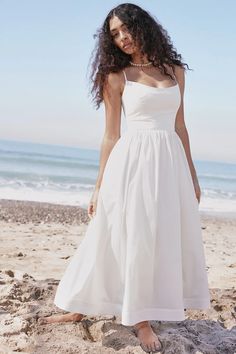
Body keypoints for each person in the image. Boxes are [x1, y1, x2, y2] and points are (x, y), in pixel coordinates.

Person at [38, 3, 211, 353]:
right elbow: (111, 135)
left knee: (158, 235)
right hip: (131, 163)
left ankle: (114, 305)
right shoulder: (116, 76)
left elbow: (180, 125)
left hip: (169, 163)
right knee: (125, 235)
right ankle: (137, 319)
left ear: (142, 27)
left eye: (126, 29)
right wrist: (99, 185)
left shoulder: (174, 70)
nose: (122, 38)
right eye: (114, 34)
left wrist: (191, 173)